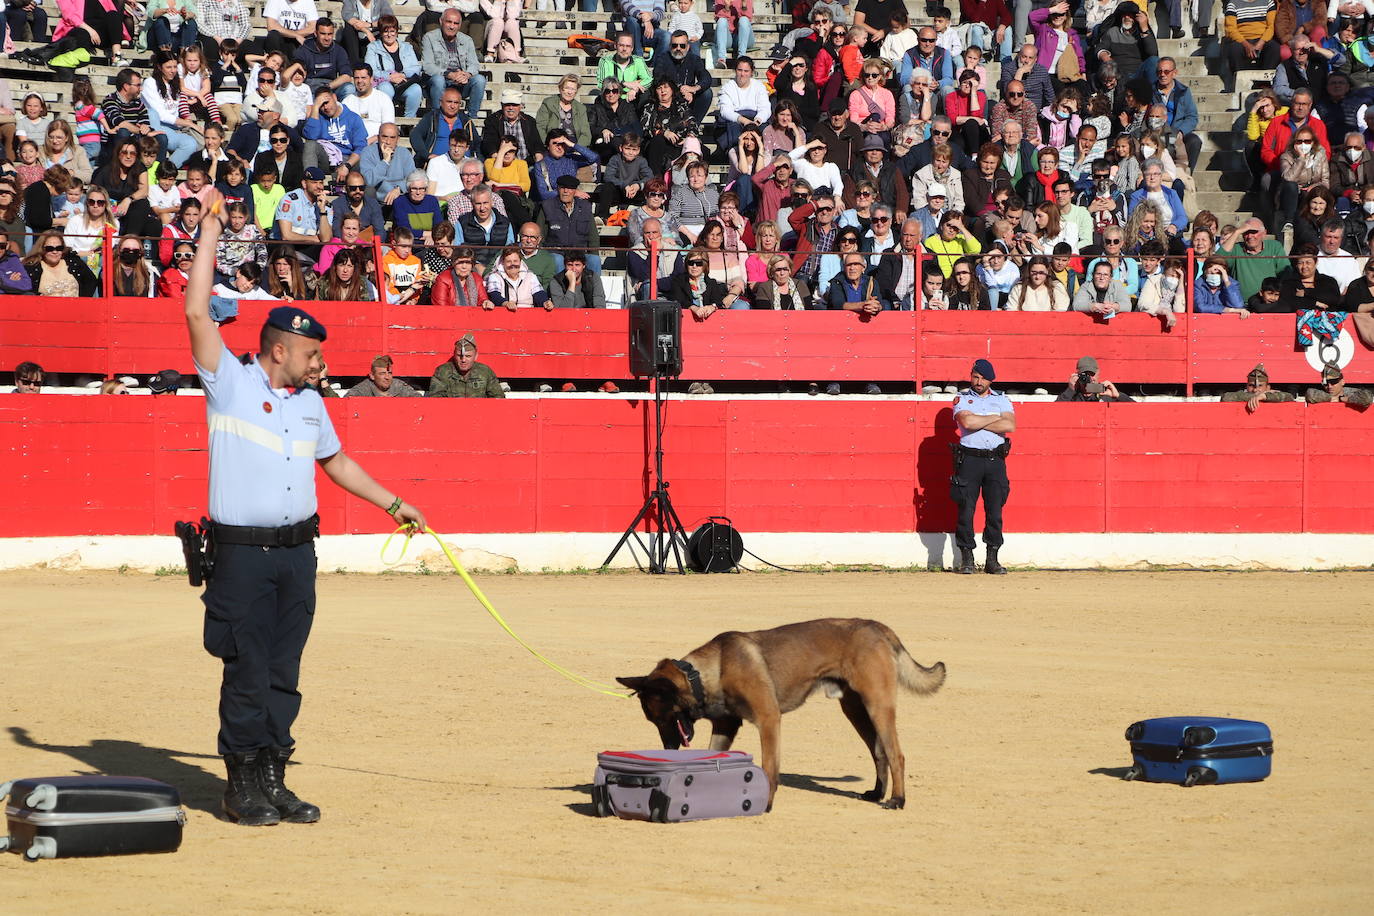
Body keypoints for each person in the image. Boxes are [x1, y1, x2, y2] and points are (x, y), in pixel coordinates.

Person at [181, 195, 426, 826]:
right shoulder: (230, 385)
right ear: (280, 350)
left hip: (297, 556)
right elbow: (195, 311)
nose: (321, 363)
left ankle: (273, 778)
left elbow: (338, 465)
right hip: (240, 555)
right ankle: (240, 785)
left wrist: (396, 504)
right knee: (247, 668)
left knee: (284, 672)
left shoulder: (312, 405)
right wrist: (209, 232)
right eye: (312, 354)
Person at [951, 358, 1014, 575]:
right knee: (966, 509)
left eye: (983, 378)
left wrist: (980, 419)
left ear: (990, 380)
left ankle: (992, 560)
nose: (978, 382)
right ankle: (967, 559)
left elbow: (1009, 425)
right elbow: (967, 423)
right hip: (969, 459)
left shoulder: (1002, 399)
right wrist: (994, 418)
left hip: (995, 460)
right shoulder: (962, 398)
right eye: (975, 377)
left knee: (995, 510)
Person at [420, 9, 486, 120]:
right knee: (438, 80)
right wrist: (449, 74)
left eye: (456, 23)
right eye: (449, 22)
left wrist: (467, 74)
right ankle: (438, 117)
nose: (452, 26)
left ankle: (471, 118)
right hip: (440, 81)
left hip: (461, 82)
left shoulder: (467, 40)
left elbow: (474, 64)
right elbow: (428, 66)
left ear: (460, 25)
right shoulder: (429, 38)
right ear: (441, 21)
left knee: (479, 80)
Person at [427, 333, 506, 397]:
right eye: (459, 356)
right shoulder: (442, 372)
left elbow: (498, 398)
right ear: (454, 355)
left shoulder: (485, 372)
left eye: (468, 356)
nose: (463, 360)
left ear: (476, 356)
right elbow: (436, 400)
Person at [1220, 362, 1295, 412]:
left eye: (1260, 386)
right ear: (1246, 386)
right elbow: (1226, 397)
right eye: (1251, 385)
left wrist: (1264, 396)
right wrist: (1255, 397)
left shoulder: (1274, 395)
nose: (1255, 389)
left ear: (1268, 388)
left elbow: (1290, 397)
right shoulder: (1241, 394)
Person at [1056, 355, 1134, 402]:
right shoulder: (1071, 394)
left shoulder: (1105, 393)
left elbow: (1138, 411)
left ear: (1098, 375)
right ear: (1077, 376)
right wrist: (1070, 390)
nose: (1090, 378)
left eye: (1092, 374)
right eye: (1085, 375)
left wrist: (1118, 396)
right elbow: (1052, 412)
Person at [347, 354, 421, 397]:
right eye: (382, 373)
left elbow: (419, 400)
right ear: (372, 376)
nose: (387, 377)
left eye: (390, 373)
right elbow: (347, 401)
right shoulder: (362, 389)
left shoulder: (399, 386)